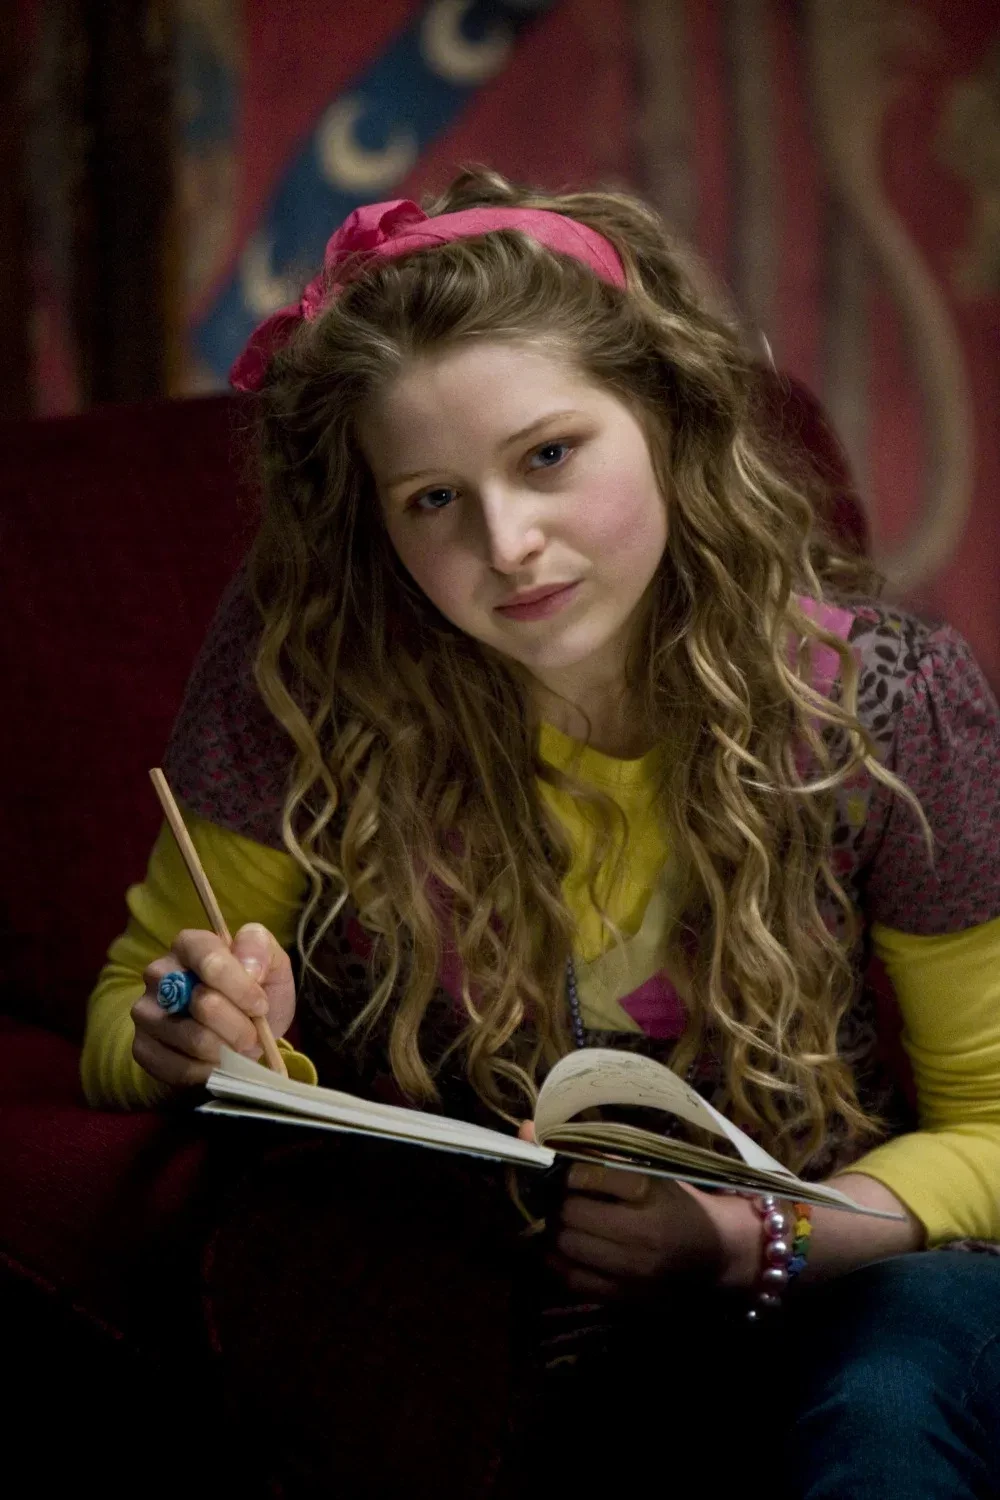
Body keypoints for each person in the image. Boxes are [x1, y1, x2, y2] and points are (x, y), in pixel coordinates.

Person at [83, 168, 1000, 1498]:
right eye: (433, 499)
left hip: (838, 1297)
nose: (508, 542)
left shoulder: (885, 707)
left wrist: (749, 1240)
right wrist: (194, 1030)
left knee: (892, 1400)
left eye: (549, 456)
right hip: (494, 1331)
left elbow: (993, 1129)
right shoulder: (311, 686)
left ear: (668, 419)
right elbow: (129, 1014)